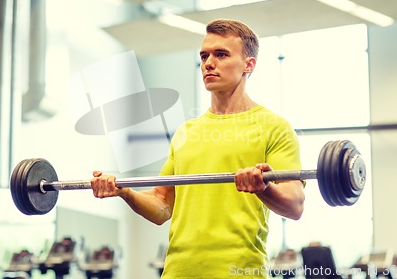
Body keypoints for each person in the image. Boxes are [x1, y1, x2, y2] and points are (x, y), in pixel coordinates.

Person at [91, 19, 305, 278]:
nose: (208, 63)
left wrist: (264, 187)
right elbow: (161, 206)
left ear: (249, 64)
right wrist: (125, 192)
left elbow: (294, 206)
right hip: (178, 273)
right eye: (204, 56)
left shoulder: (275, 127)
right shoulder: (186, 132)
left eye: (221, 54)